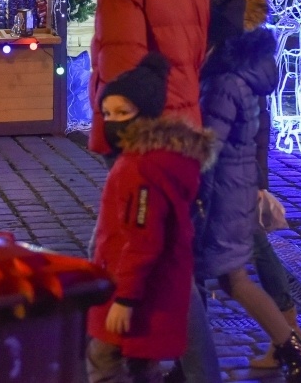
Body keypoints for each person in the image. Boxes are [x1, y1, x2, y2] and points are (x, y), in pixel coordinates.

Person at [88, 0, 215, 383]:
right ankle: (154, 363)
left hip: (145, 142)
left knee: (132, 251)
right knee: (173, 251)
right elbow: (196, 58)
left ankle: (188, 370)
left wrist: (112, 139)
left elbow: (123, 71)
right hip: (187, 133)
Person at [193, 0, 301, 382]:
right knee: (238, 264)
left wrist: (253, 176)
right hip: (240, 169)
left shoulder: (229, 44)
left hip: (230, 174)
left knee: (239, 266)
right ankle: (288, 340)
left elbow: (232, 125)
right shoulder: (239, 39)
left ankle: (290, 342)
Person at [86, 54, 217, 383]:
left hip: (132, 289)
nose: (113, 121)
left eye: (123, 113)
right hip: (145, 286)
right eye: (107, 114)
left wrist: (125, 299)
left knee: (103, 360)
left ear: (144, 114)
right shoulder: (154, 159)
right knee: (141, 364)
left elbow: (143, 240)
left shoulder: (140, 168)